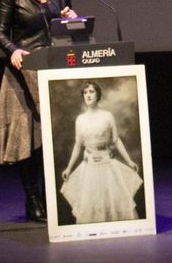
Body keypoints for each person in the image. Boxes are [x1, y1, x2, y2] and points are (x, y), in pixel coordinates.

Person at [0, 0, 77, 222]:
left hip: (54, 68)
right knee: (28, 138)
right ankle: (33, 199)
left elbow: (68, 28)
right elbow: (0, 32)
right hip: (24, 71)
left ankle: (56, 195)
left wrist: (71, 20)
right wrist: (13, 49)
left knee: (55, 136)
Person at [59, 80, 142, 224]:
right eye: (85, 92)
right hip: (89, 168)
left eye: (91, 92)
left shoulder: (107, 116)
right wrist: (69, 168)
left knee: (113, 202)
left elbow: (116, 140)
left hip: (107, 166)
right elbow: (78, 145)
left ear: (98, 95)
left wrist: (129, 161)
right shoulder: (80, 120)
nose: (88, 95)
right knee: (90, 204)